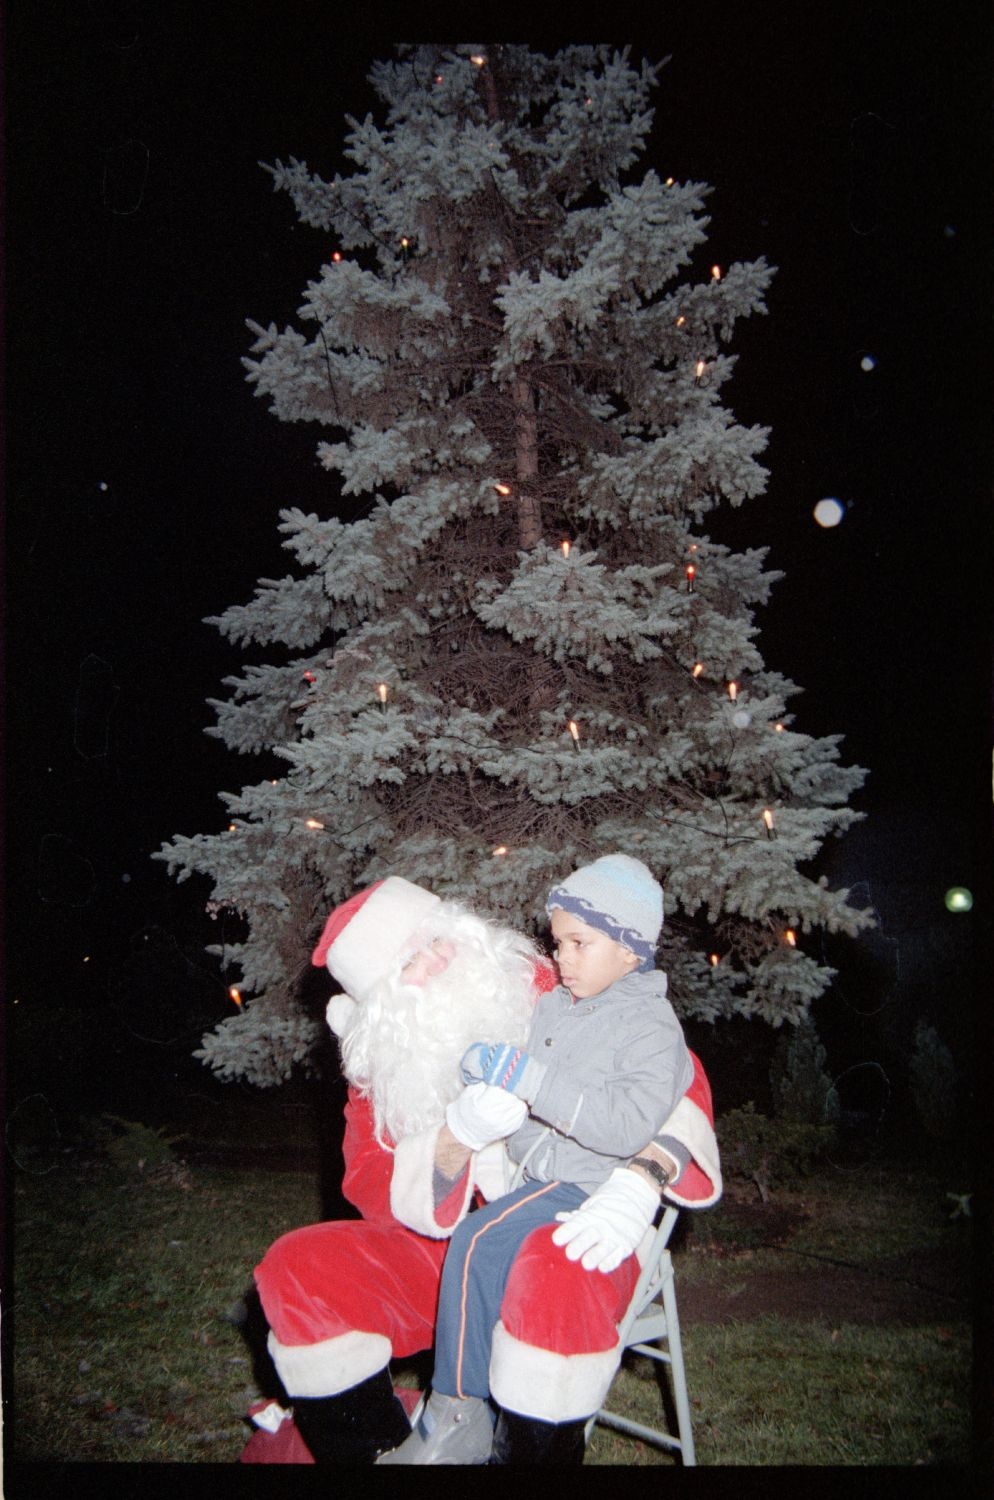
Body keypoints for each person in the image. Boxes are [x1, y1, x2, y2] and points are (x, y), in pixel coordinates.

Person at [248, 861, 720, 1465]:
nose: (437, 961)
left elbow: (679, 1076)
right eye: (409, 964)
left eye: (435, 938)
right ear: (383, 1004)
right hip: (441, 1258)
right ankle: (403, 1454)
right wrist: (454, 1139)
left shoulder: (548, 987)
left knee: (553, 1272)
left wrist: (641, 1180)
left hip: (575, 1221)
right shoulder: (381, 1076)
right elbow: (369, 1188)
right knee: (299, 1268)